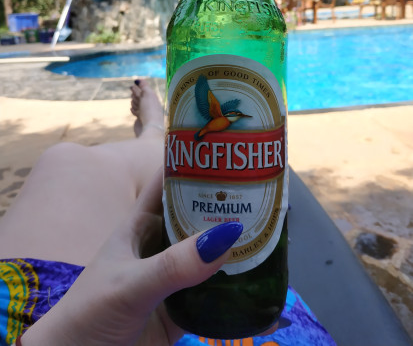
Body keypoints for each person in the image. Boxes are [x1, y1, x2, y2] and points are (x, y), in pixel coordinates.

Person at [0, 81, 336, 346]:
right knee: (164, 166)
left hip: (49, 310)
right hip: (168, 314)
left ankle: (153, 128)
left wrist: (62, 339)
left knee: (67, 159)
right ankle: (154, 129)